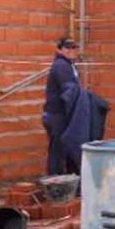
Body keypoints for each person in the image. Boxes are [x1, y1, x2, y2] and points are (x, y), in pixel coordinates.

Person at [43, 37, 80, 175]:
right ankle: (55, 184)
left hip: (61, 114)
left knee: (64, 149)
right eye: (67, 47)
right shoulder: (61, 65)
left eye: (74, 47)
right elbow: (68, 90)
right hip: (56, 115)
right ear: (60, 49)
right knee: (57, 151)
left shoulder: (69, 64)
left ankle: (67, 181)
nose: (71, 50)